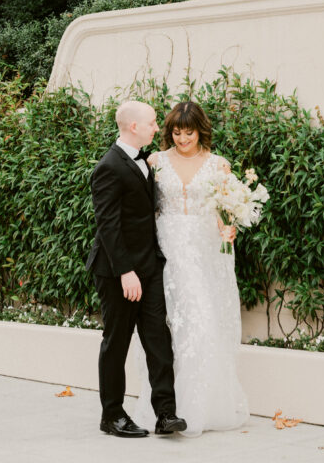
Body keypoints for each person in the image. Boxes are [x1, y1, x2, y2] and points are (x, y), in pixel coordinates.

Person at [132, 100, 249, 437]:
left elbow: (228, 209)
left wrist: (230, 228)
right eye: (177, 132)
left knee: (202, 322)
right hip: (165, 250)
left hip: (204, 253)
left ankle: (200, 406)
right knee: (166, 327)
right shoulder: (155, 162)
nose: (183, 139)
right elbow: (145, 211)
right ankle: (166, 408)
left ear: (201, 130)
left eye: (189, 132)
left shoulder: (218, 166)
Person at [86, 99, 187, 438]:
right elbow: (108, 225)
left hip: (149, 265)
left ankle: (166, 413)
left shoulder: (144, 161)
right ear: (134, 127)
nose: (157, 128)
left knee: (158, 338)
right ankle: (111, 415)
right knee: (116, 342)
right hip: (119, 271)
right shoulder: (109, 167)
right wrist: (126, 271)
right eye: (153, 123)